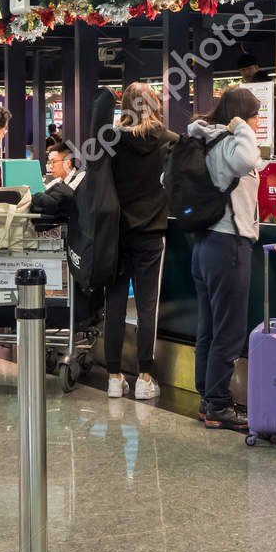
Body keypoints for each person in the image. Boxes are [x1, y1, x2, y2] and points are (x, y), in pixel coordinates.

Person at [186, 86, 263, 429]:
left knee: (209, 328)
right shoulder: (231, 141)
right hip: (228, 244)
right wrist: (241, 128)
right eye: (255, 116)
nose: (258, 123)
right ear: (243, 116)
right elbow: (247, 160)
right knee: (229, 331)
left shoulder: (205, 140)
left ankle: (208, 397)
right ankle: (217, 404)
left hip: (204, 243)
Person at [105, 83, 177, 401]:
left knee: (115, 304)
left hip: (116, 234)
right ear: (156, 105)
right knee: (148, 307)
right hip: (151, 234)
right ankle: (145, 378)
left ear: (125, 106)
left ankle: (113, 377)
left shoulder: (112, 140)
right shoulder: (170, 140)